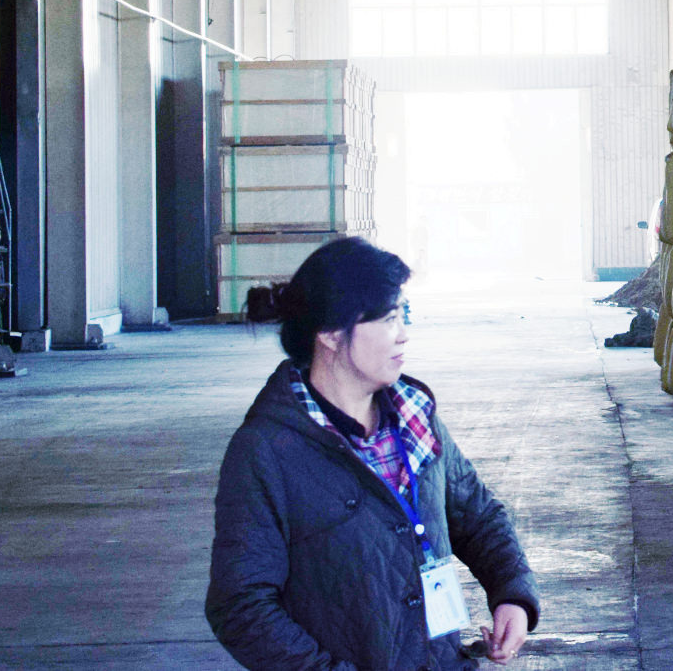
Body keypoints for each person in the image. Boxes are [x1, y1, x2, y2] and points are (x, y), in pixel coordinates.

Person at [207, 237, 538, 671]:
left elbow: (478, 516)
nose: (403, 334)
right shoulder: (266, 451)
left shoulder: (415, 418)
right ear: (328, 333)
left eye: (403, 315)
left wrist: (512, 593)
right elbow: (241, 605)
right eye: (386, 319)